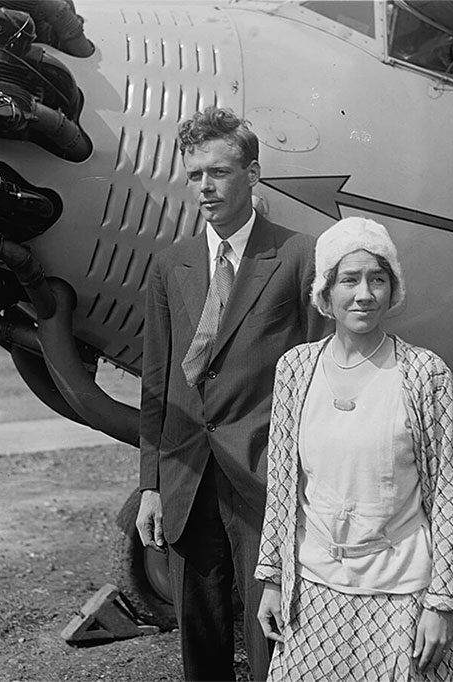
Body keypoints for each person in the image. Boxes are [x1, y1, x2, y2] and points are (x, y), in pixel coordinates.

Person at [135, 106, 329, 681]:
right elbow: (155, 383)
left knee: (273, 631)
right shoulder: (170, 265)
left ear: (253, 173)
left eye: (218, 172)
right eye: (194, 175)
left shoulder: (299, 255)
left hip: (265, 473)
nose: (205, 187)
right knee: (201, 633)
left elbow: (321, 375)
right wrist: (151, 483)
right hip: (186, 475)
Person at [255, 217, 453, 681]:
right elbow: (283, 484)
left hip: (401, 599)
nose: (364, 294)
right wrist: (272, 579)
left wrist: (443, 604)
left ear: (393, 290)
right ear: (325, 294)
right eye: (348, 280)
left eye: (378, 279)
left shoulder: (424, 374)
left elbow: (451, 496)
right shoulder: (296, 369)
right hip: (313, 596)